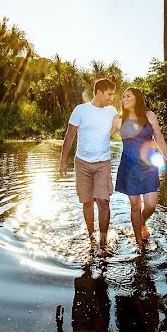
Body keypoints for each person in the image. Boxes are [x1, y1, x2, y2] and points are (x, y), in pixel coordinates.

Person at [115, 87, 167, 251]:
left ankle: (141, 222)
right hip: (128, 168)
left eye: (128, 96)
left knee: (150, 205)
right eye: (123, 97)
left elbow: (159, 138)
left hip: (148, 166)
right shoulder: (119, 119)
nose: (125, 99)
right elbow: (101, 135)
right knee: (135, 206)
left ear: (137, 98)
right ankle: (139, 244)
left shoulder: (149, 116)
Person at [60, 78, 119, 250]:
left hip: (103, 162)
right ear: (99, 92)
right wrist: (63, 161)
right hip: (82, 163)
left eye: (113, 95)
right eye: (109, 94)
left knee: (103, 201)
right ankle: (91, 236)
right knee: (87, 202)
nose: (111, 98)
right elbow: (69, 135)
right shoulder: (80, 110)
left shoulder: (111, 111)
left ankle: (103, 241)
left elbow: (118, 128)